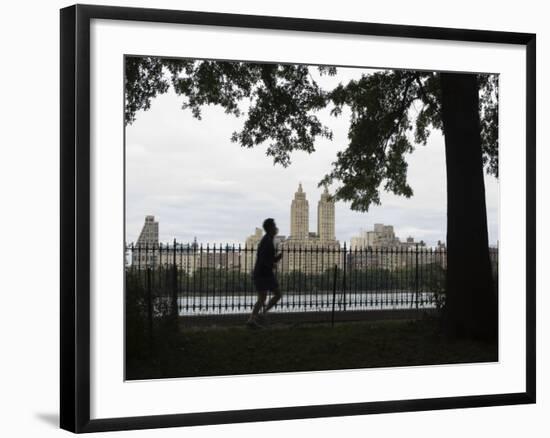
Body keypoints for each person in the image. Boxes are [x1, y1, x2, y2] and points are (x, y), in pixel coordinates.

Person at [247, 218, 283, 328]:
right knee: (274, 295)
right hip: (263, 274)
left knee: (265, 297)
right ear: (270, 228)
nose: (276, 228)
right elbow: (263, 259)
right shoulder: (267, 241)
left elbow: (268, 259)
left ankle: (254, 319)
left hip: (263, 273)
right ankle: (259, 316)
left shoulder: (268, 240)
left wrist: (277, 259)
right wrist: (273, 263)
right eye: (274, 226)